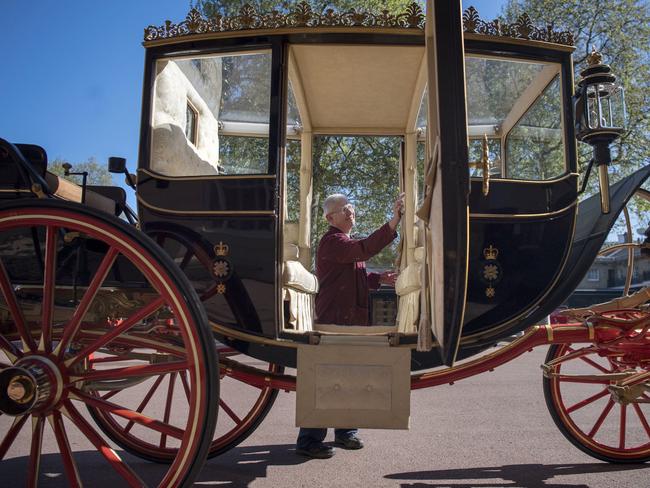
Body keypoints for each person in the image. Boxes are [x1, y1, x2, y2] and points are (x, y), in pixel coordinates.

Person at [295, 192, 404, 459]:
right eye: (345, 209)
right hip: (335, 319)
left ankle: (345, 432)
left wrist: (381, 279)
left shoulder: (342, 243)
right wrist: (393, 223)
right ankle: (309, 439)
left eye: (351, 206)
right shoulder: (332, 241)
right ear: (331, 218)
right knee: (327, 376)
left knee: (349, 373)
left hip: (348, 318)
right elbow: (363, 250)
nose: (351, 211)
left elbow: (356, 276)